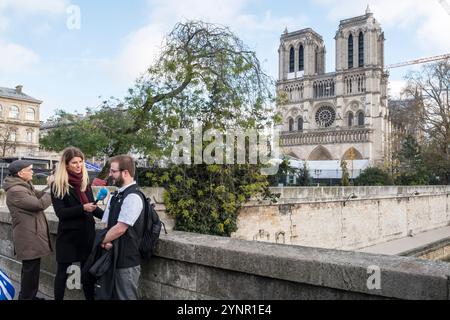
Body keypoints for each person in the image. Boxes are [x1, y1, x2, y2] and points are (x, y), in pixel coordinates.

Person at [51, 147, 103, 300]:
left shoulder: (84, 183)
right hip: (68, 237)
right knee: (62, 273)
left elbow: (92, 207)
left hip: (87, 235)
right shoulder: (58, 185)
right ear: (66, 165)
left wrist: (109, 216)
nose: (79, 165)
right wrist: (82, 208)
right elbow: (61, 213)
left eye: (81, 162)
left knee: (87, 273)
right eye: (74, 162)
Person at [4, 160, 54, 300]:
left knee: (32, 270)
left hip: (32, 234)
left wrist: (49, 188)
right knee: (30, 270)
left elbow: (38, 196)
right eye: (30, 169)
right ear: (20, 173)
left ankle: (29, 296)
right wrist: (51, 188)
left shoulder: (23, 186)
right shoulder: (15, 190)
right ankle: (26, 297)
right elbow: (39, 204)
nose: (32, 172)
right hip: (27, 236)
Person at [101, 155, 145, 300]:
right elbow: (107, 224)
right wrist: (106, 241)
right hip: (112, 257)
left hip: (126, 261)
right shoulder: (116, 195)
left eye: (113, 171)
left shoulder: (133, 197)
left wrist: (101, 241)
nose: (110, 174)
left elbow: (120, 228)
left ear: (125, 173)